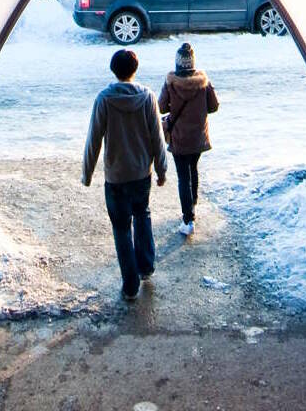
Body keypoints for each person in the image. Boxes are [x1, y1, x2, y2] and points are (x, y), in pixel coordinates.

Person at [82, 47, 169, 300]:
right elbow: (157, 137)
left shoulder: (104, 99)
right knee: (142, 215)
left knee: (121, 228)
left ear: (113, 70)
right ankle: (147, 266)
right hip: (142, 173)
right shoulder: (148, 97)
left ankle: (130, 286)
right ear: (135, 70)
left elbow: (94, 139)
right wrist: (162, 170)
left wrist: (87, 174)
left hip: (116, 177)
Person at [158, 42, 219, 236]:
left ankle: (188, 219)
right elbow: (214, 106)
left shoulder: (171, 82)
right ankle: (192, 205)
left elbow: (160, 108)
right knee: (193, 170)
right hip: (198, 137)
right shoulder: (203, 82)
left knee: (183, 176)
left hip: (179, 138)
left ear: (177, 63)